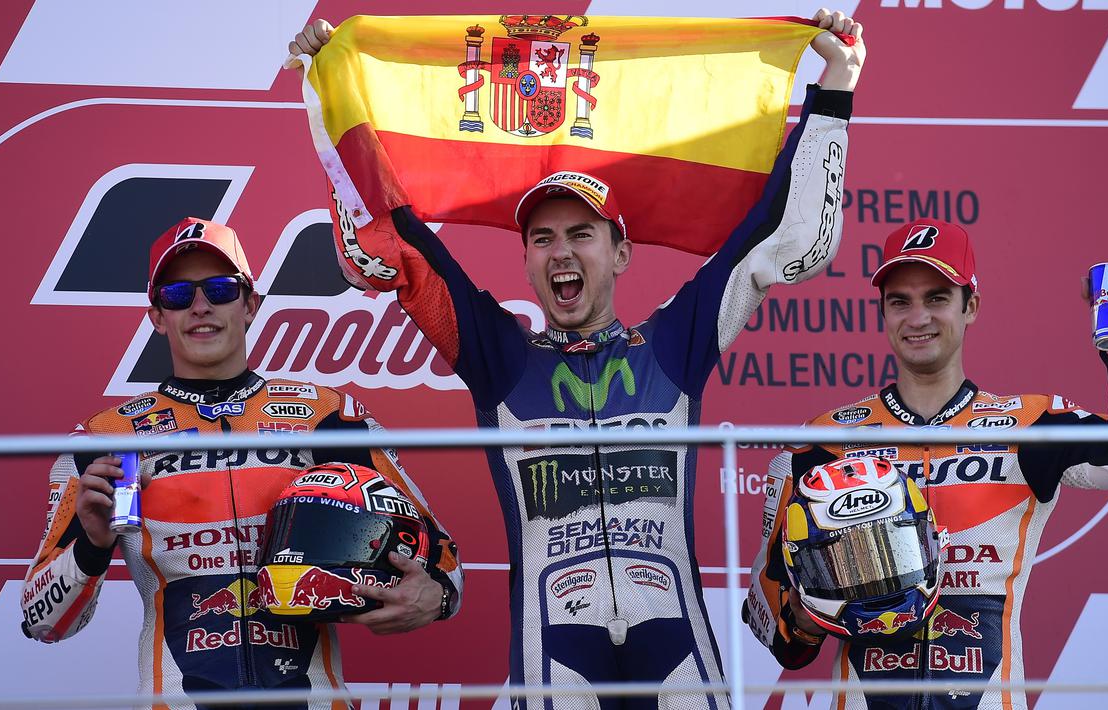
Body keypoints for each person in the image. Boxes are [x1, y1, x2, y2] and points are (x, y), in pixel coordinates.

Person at [291, 8, 865, 708]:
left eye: (581, 234)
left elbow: (769, 234)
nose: (560, 251)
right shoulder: (501, 360)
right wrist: (331, 92)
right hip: (553, 654)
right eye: (541, 238)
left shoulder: (673, 347)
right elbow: (404, 246)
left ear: (620, 253)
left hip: (680, 650)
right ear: (527, 263)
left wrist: (834, 88)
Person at [743, 218, 1108, 709]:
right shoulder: (823, 443)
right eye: (900, 301)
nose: (918, 318)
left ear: (970, 306)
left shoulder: (1030, 424)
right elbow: (778, 631)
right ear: (883, 312)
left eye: (937, 298)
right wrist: (811, 612)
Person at [20, 218, 464, 708]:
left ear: (250, 305)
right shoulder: (113, 440)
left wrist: (437, 595)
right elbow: (43, 622)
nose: (200, 306)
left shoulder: (328, 418)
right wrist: (93, 544)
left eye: (220, 289)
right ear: (157, 316)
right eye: (177, 294)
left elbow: (441, 554)